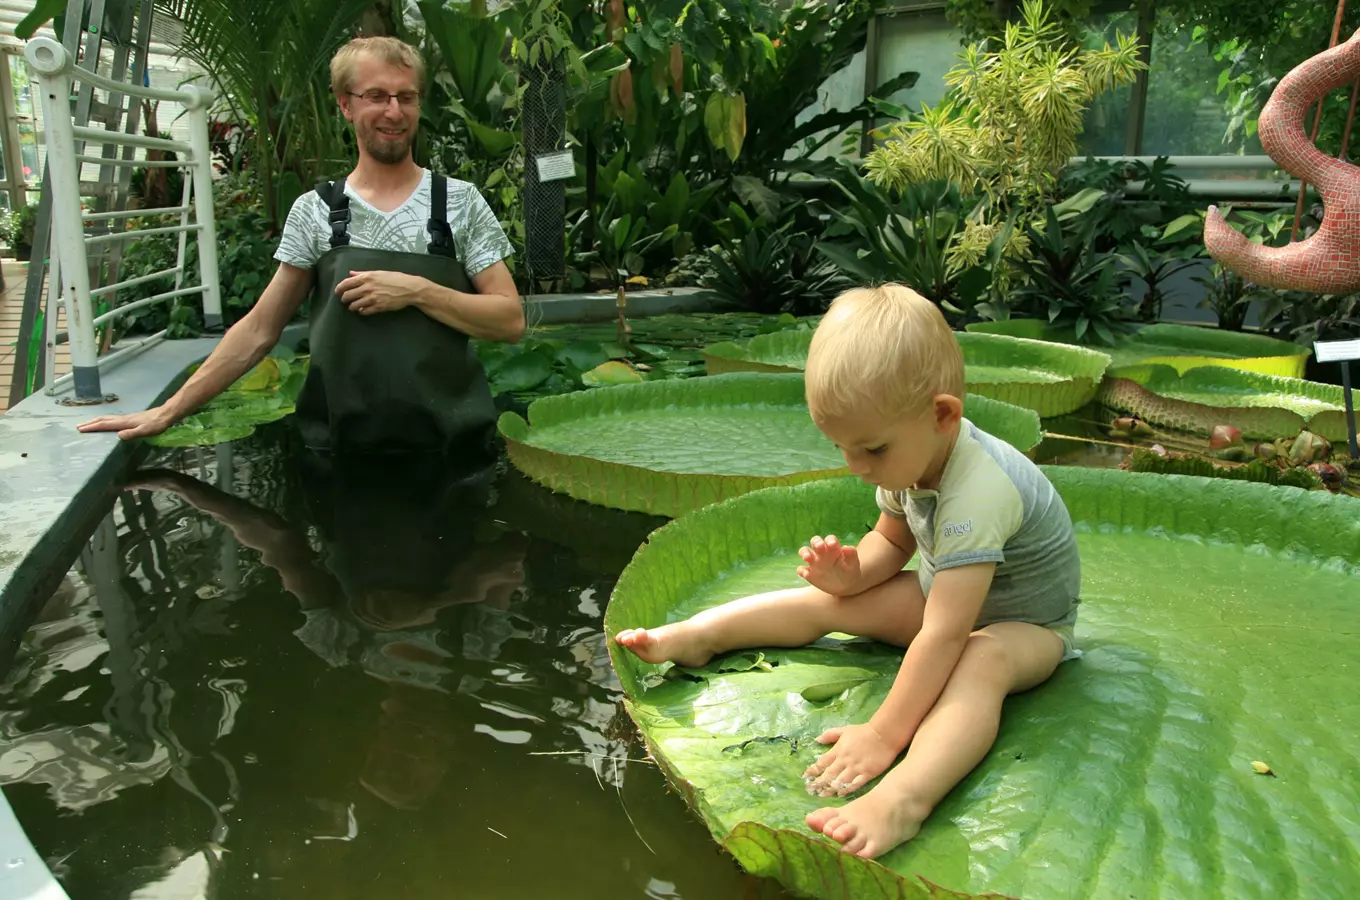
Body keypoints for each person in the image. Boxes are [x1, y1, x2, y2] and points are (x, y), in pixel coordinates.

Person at [614, 284, 1083, 860]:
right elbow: (892, 539)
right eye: (841, 448)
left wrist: (884, 735)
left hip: (1027, 626)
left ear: (942, 415)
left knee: (980, 659)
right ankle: (700, 636)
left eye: (871, 451)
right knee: (831, 607)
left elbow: (946, 633)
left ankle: (905, 801)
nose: (857, 468)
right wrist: (853, 574)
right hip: (949, 593)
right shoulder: (908, 451)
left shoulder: (980, 492)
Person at [78, 36, 524, 455]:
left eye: (406, 97)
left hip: (450, 450)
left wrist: (417, 291)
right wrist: (169, 409)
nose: (394, 111)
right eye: (377, 96)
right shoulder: (315, 210)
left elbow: (509, 319)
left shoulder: (459, 202)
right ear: (345, 105)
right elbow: (258, 330)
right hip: (341, 452)